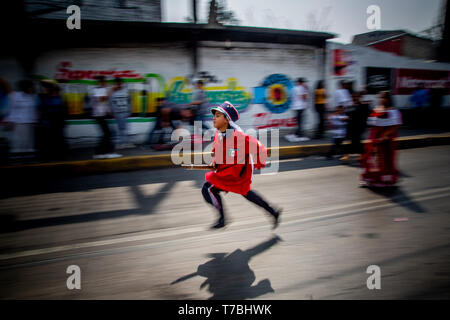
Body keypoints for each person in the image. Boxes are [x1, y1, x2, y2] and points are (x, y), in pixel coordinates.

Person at [202, 101, 282, 229]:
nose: (214, 118)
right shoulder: (219, 133)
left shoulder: (238, 136)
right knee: (247, 194)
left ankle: (222, 219)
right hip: (229, 172)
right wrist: (215, 162)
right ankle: (273, 211)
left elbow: (259, 148)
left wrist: (258, 164)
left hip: (240, 173)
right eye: (214, 115)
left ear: (226, 119)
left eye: (218, 115)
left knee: (209, 188)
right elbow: (217, 149)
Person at [360, 91, 402, 188]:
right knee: (368, 158)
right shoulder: (377, 109)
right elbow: (372, 125)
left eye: (383, 97)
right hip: (374, 139)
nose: (381, 99)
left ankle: (385, 181)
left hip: (386, 140)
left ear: (389, 99)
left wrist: (383, 137)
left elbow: (394, 127)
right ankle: (369, 179)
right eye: (380, 97)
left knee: (384, 161)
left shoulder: (393, 111)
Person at [89, 76, 121, 159]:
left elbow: (104, 103)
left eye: (106, 82)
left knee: (108, 133)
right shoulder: (96, 90)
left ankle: (106, 152)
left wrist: (110, 112)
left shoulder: (103, 89)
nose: (106, 83)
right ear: (100, 82)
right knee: (107, 133)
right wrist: (110, 90)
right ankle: (100, 152)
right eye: (104, 82)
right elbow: (102, 99)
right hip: (98, 115)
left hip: (102, 115)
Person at [4, 80, 39, 155]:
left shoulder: (33, 96)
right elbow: (10, 108)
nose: (32, 88)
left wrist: (35, 121)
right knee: (19, 142)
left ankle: (29, 159)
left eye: (32, 87)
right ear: (25, 88)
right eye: (30, 87)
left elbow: (33, 110)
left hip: (30, 123)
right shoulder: (15, 95)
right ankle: (16, 158)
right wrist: (9, 120)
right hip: (19, 124)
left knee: (29, 143)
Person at [37, 80, 67, 160]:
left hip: (57, 122)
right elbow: (41, 110)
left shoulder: (59, 99)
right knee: (50, 140)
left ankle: (59, 155)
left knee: (58, 139)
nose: (55, 93)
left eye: (56, 91)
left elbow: (63, 111)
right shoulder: (45, 98)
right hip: (49, 122)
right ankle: (51, 156)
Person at [110, 77, 133, 149]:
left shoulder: (126, 91)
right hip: (118, 113)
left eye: (120, 83)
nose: (119, 85)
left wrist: (129, 111)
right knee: (120, 128)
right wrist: (113, 112)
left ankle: (125, 142)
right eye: (117, 84)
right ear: (115, 84)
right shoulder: (113, 92)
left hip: (125, 112)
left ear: (122, 84)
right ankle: (120, 143)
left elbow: (129, 101)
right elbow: (111, 103)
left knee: (125, 128)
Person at [285, 78, 310, 142]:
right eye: (303, 82)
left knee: (299, 120)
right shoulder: (300, 88)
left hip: (296, 107)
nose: (304, 83)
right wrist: (306, 90)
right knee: (300, 121)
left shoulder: (294, 88)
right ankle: (300, 133)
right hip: (300, 107)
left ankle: (297, 132)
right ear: (300, 83)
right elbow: (303, 98)